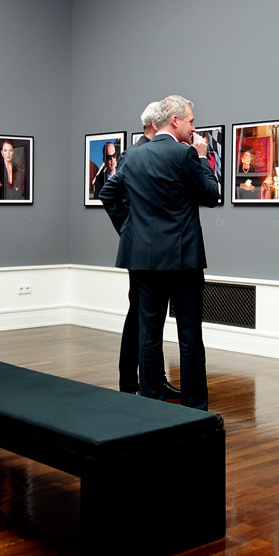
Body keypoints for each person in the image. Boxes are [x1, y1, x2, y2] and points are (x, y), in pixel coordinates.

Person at [100, 95, 220, 411]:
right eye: (191, 120)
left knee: (149, 334)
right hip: (182, 259)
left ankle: (150, 401)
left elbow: (108, 193)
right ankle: (195, 406)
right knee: (190, 336)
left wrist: (130, 230)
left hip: (145, 259)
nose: (195, 126)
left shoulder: (134, 156)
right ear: (175, 121)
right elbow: (211, 195)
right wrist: (205, 158)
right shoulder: (185, 155)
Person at [103, 102, 180, 399]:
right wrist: (126, 228)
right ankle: (130, 383)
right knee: (139, 315)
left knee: (151, 317)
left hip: (156, 249)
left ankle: (153, 379)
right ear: (154, 124)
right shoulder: (132, 155)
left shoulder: (155, 151)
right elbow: (111, 196)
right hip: (140, 250)